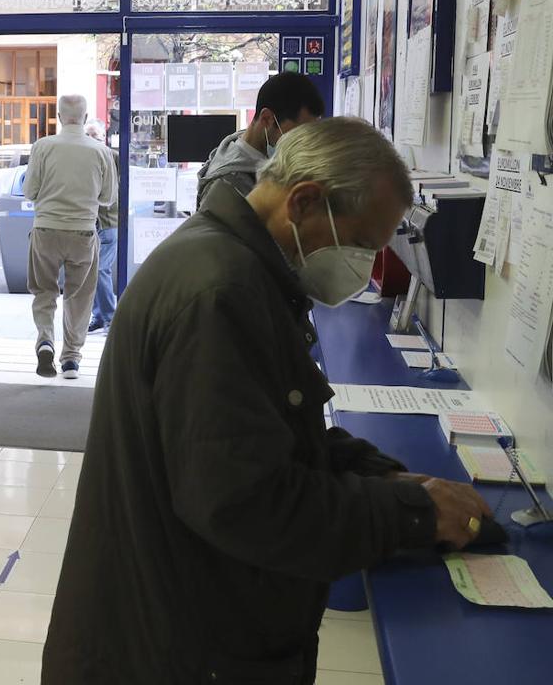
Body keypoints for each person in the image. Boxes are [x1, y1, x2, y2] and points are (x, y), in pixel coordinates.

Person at [43, 118, 491, 684]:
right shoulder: (221, 295)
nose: (365, 269)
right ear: (304, 202)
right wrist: (412, 517)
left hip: (187, 617)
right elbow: (246, 504)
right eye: (361, 245)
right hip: (176, 646)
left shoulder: (234, 263)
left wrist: (390, 481)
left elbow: (272, 430)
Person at [23, 95, 117, 380]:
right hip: (83, 232)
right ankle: (71, 360)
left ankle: (45, 340)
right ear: (86, 117)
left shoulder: (43, 147)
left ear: (60, 118)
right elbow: (108, 197)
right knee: (79, 296)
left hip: (45, 230)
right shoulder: (100, 152)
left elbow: (29, 192)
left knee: (44, 291)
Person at [196, 71, 325, 209]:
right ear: (267, 119)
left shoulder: (261, 161)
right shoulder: (227, 185)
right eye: (297, 133)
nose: (302, 142)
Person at [85, 120, 119, 334]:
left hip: (108, 221)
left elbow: (114, 191)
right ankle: (99, 315)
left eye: (94, 136)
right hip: (92, 221)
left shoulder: (110, 156)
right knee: (92, 271)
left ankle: (110, 317)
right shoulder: (89, 157)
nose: (91, 141)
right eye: (88, 136)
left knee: (99, 269)